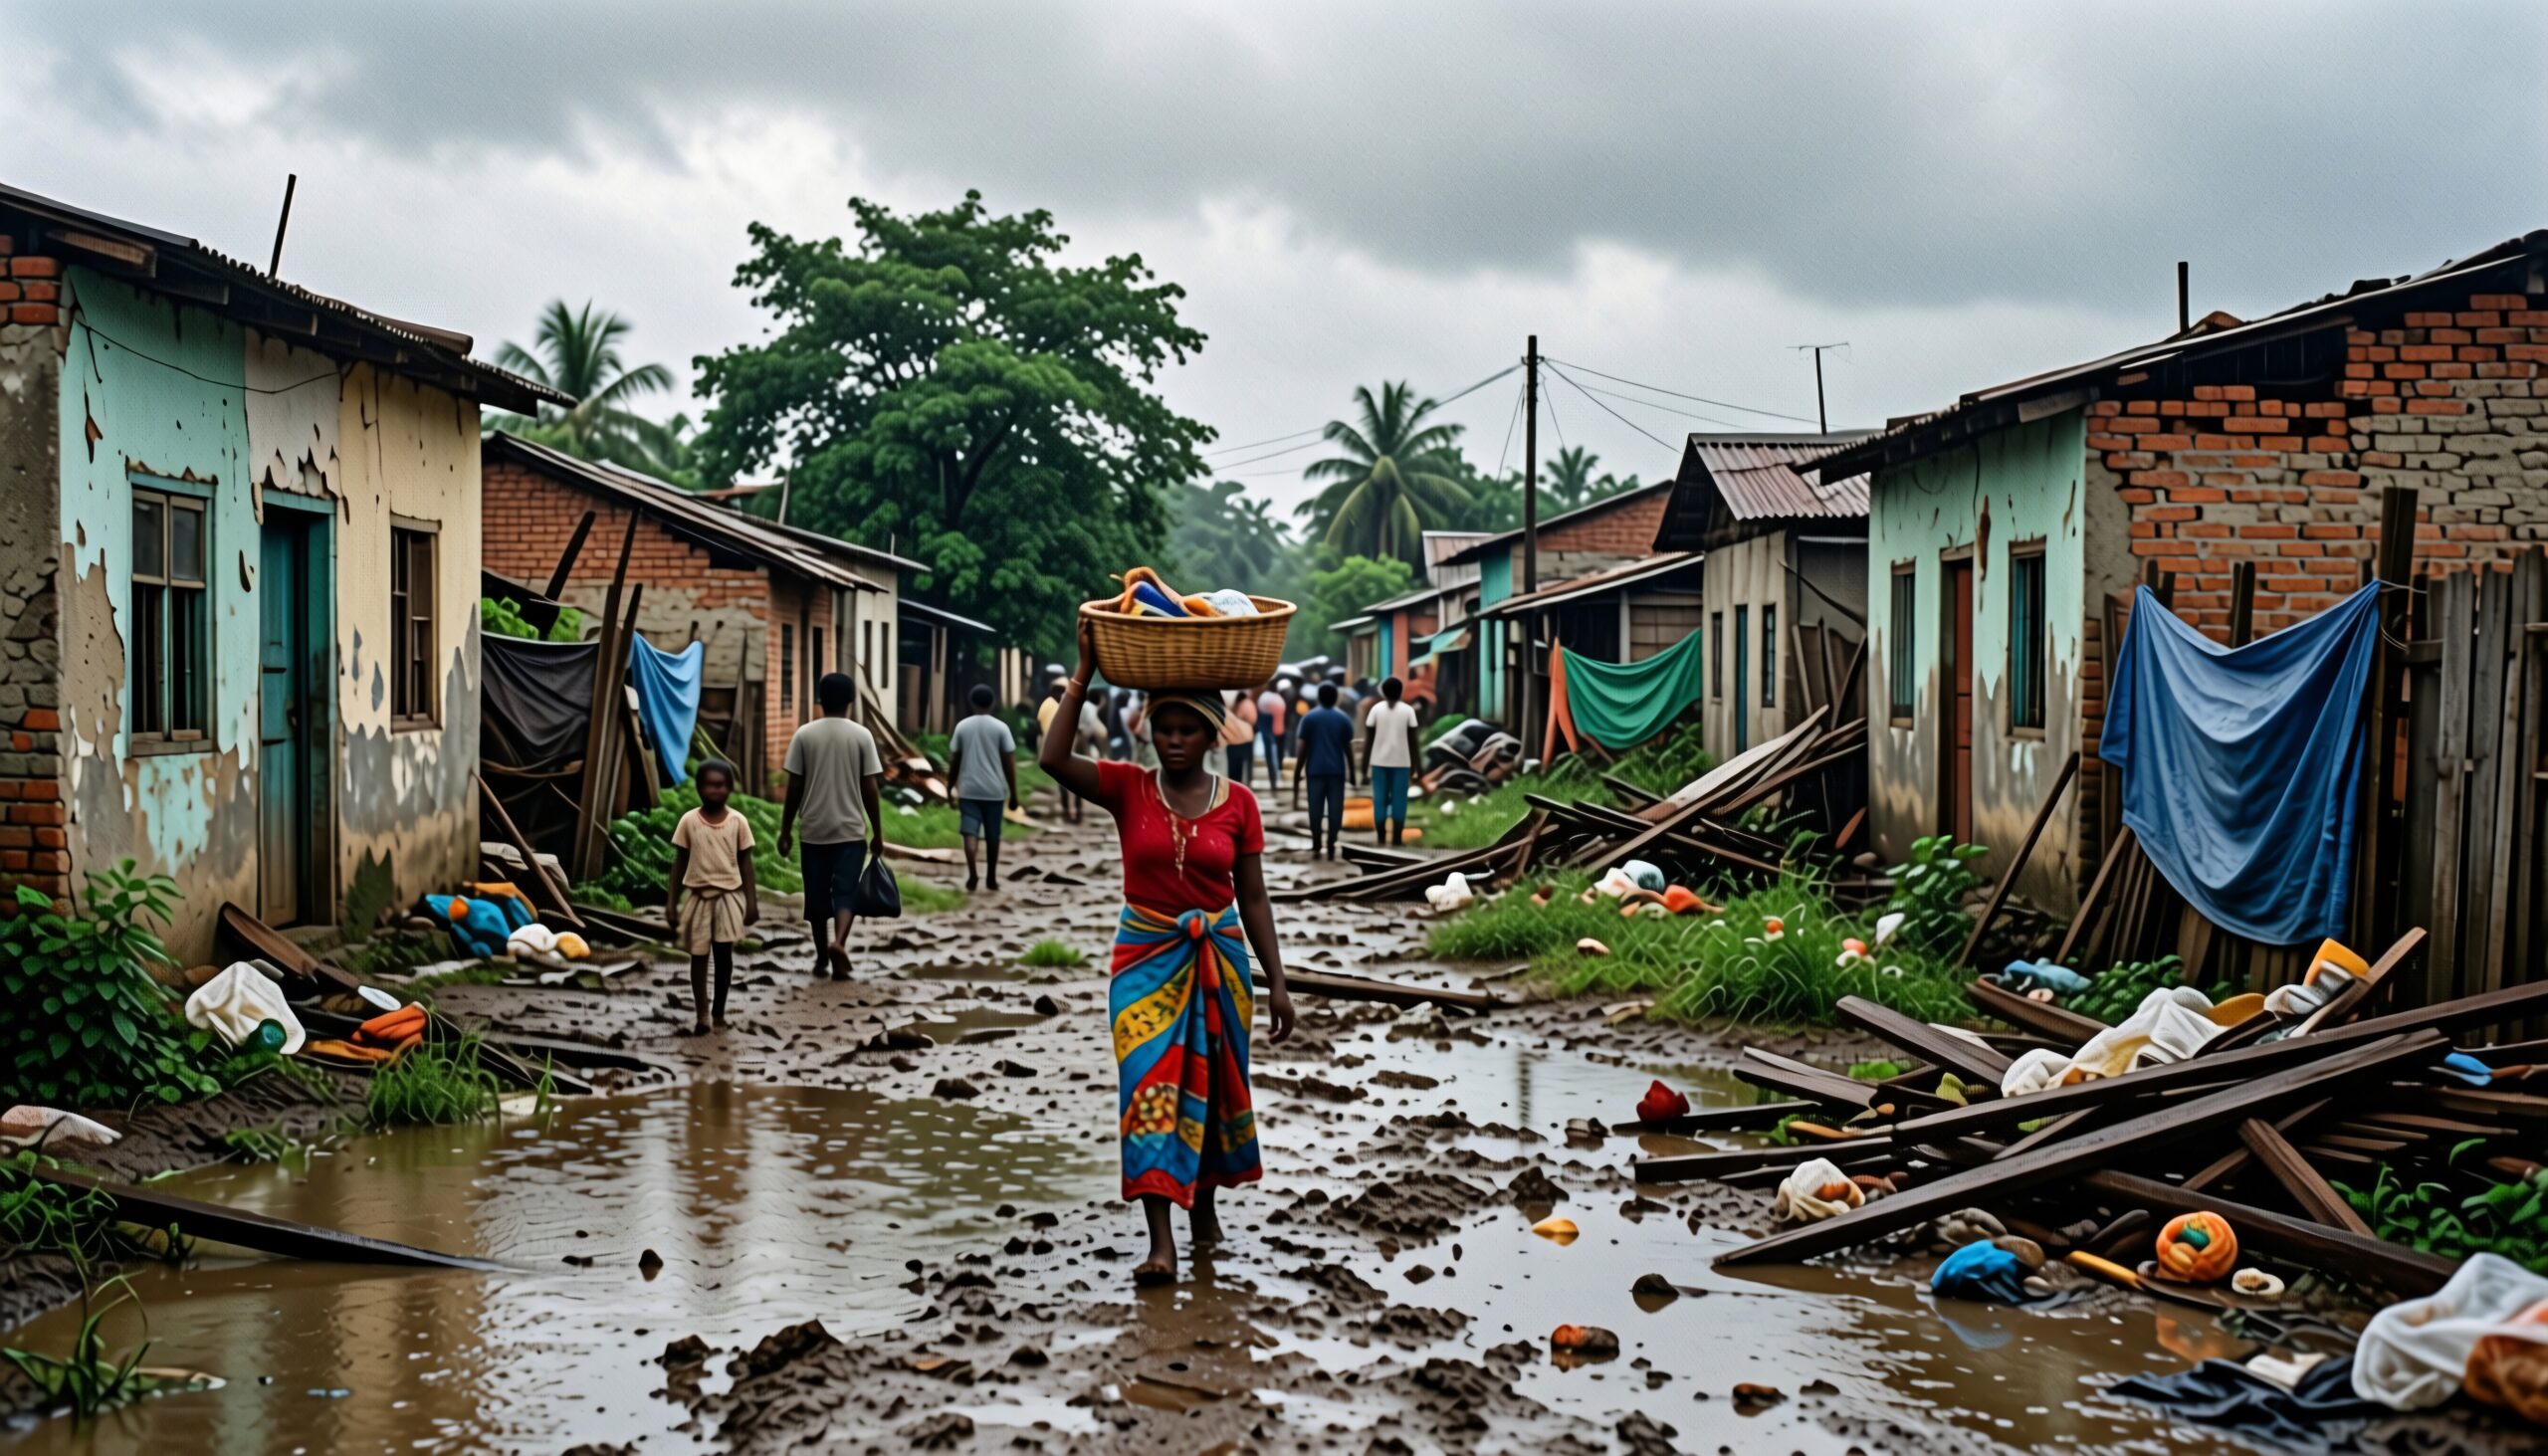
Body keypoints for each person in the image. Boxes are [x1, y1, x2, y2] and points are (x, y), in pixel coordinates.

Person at [1038, 622, 1295, 1287]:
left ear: (1214, 734)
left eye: (1188, 729)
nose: (1174, 740)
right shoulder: (1127, 788)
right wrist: (1083, 672)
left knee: (1207, 1091)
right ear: (1149, 730)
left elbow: (1255, 898)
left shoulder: (1239, 803)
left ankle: (1203, 1205)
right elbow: (1054, 760)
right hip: (1144, 961)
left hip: (1221, 962)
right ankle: (1162, 1240)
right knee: (1149, 1089)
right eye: (1165, 727)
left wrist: (1278, 982)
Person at [775, 672, 885, 981]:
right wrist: (877, 831)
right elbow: (870, 787)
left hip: (813, 830)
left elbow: (794, 786)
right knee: (846, 892)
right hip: (850, 831)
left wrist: (785, 829)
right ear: (851, 701)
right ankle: (840, 943)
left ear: (819, 700)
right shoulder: (861, 735)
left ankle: (823, 957)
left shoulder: (804, 735)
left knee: (817, 895)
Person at [664, 760, 759, 1035]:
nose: (714, 790)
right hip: (697, 898)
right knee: (698, 955)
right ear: (698, 788)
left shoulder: (738, 822)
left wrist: (751, 902)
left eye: (720, 785)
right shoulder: (689, 822)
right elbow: (678, 863)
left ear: (729, 788)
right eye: (708, 785)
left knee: (724, 956)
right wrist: (672, 903)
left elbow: (746, 864)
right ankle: (702, 1013)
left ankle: (719, 1009)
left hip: (729, 897)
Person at [948, 684, 1021, 892]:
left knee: (969, 832)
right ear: (993, 703)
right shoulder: (1001, 728)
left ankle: (972, 874)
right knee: (992, 836)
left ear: (972, 703)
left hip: (969, 791)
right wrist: (1014, 793)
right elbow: (1009, 764)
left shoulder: (962, 726)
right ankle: (991, 877)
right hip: (994, 791)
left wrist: (949, 787)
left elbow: (955, 761)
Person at [1292, 682, 1356, 860]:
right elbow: (1347, 748)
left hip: (1315, 771)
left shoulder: (1309, 718)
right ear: (1336, 698)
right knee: (1336, 810)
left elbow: (1302, 748)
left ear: (1318, 697)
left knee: (1315, 810)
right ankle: (1331, 842)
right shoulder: (1343, 718)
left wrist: (1298, 772)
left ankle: (1316, 841)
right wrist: (1352, 772)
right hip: (1337, 772)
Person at [1364, 676, 1420, 848]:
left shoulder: (1375, 710)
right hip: (1402, 763)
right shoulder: (1408, 711)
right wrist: (1417, 766)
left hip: (1378, 762)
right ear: (1400, 691)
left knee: (1379, 799)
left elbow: (1369, 740)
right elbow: (1413, 741)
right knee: (1399, 800)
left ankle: (1381, 837)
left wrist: (1363, 765)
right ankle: (1396, 838)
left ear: (1383, 692)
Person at [1036, 680, 1083, 824]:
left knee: (1063, 779)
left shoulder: (1045, 704)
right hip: (1067, 744)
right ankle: (1074, 809)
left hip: (1055, 746)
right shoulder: (1068, 704)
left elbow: (1039, 726)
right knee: (1073, 778)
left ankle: (1068, 810)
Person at [1254, 682, 1287, 797]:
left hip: (1267, 730)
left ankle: (1274, 780)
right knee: (1273, 755)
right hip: (1277, 730)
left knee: (1270, 755)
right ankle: (1275, 779)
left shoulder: (1264, 698)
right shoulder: (1278, 699)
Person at [1224, 688, 1258, 789]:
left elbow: (1237, 718)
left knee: (1235, 766)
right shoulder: (1249, 703)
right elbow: (1253, 720)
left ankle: (1238, 785)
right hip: (1247, 737)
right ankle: (1246, 782)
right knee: (1246, 762)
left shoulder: (1241, 705)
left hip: (1237, 738)